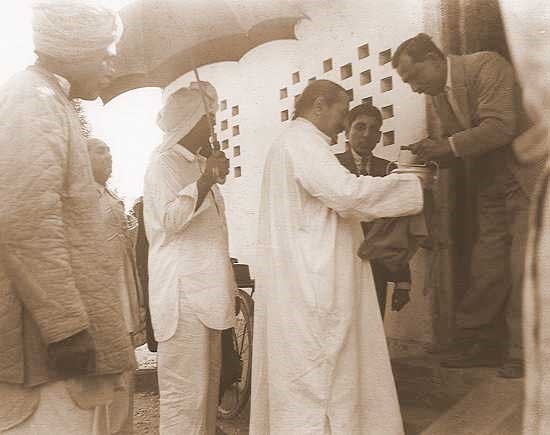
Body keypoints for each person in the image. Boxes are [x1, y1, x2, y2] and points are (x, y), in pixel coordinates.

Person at [249, 79, 426, 434]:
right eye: (342, 113)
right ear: (318, 106)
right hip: (314, 282)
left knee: (313, 378)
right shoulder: (302, 142)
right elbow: (346, 194)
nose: (343, 123)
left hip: (305, 278)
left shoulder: (292, 143)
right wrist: (411, 183)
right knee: (321, 380)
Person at [0, 1, 135, 434]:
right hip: (42, 346)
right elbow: (27, 223)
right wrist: (65, 328)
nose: (112, 64)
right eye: (105, 51)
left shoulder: (49, 99)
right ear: (71, 49)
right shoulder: (32, 101)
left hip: (53, 338)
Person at [392, 33, 543, 378]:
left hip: (526, 178)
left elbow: (500, 126)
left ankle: (524, 351)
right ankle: (481, 342)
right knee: (487, 265)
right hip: (491, 185)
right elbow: (460, 145)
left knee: (524, 265)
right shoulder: (438, 93)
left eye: (414, 77)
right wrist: (430, 153)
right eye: (407, 82)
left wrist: (445, 146)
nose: (414, 87)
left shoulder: (487, 65)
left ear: (434, 58)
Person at [143, 81, 236, 434]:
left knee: (206, 394)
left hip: (207, 294)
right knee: (185, 398)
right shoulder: (162, 165)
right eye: (208, 117)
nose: (213, 125)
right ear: (188, 120)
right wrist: (205, 180)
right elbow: (170, 221)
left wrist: (208, 175)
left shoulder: (198, 163)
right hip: (182, 299)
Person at [88, 137, 147, 434]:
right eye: (100, 151)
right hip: (101, 302)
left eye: (110, 151)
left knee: (124, 375)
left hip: (122, 297)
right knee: (108, 379)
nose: (108, 157)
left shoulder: (109, 197)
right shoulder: (82, 198)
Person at [336, 103, 413, 317]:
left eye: (373, 130)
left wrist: (403, 281)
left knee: (374, 331)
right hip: (339, 266)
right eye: (360, 127)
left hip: (376, 268)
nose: (366, 135)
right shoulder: (332, 167)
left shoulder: (389, 170)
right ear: (347, 131)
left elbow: (398, 227)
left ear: (379, 137)